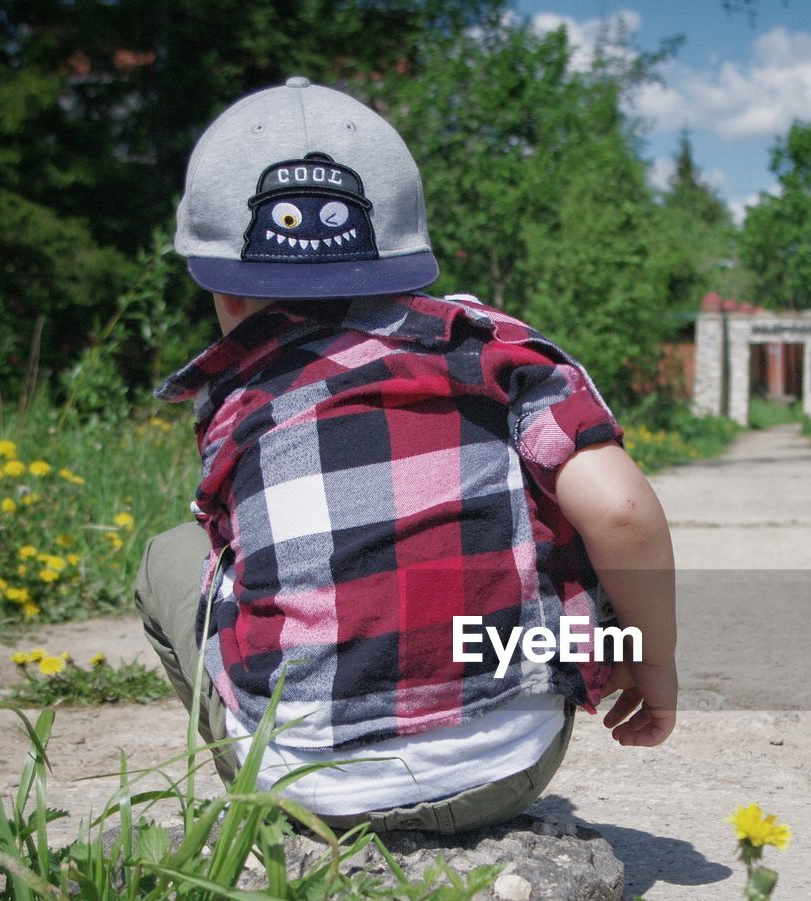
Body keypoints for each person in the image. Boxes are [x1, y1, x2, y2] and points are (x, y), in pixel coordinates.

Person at [135, 77, 677, 837]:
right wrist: (651, 661)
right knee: (545, 501)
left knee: (173, 551)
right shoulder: (490, 348)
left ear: (219, 287)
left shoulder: (235, 397)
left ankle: (271, 766)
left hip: (308, 787)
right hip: (509, 763)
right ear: (409, 248)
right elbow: (622, 509)